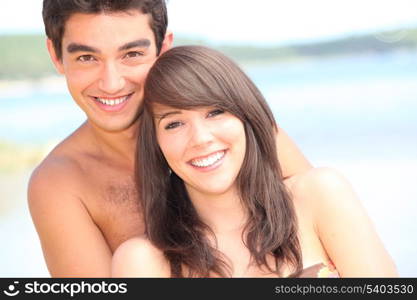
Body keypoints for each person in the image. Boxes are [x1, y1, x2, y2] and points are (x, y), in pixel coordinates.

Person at [28, 0, 312, 277]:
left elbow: (322, 241)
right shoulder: (61, 183)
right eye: (87, 58)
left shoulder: (235, 133)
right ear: (55, 55)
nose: (111, 83)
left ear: (163, 47)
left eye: (132, 54)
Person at [111, 46, 398, 277]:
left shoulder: (318, 196)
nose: (200, 138)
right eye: (174, 124)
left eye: (215, 112)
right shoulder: (143, 261)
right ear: (156, 145)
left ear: (248, 116)